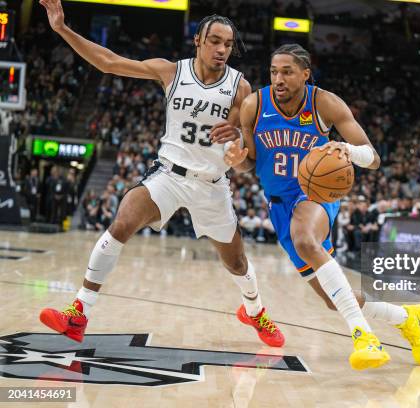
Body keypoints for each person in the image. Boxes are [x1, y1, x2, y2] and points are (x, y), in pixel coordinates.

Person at [38, 0, 284, 348]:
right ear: (198, 40)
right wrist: (62, 28)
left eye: (228, 44)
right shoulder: (171, 71)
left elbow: (242, 151)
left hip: (212, 184)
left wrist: (238, 147)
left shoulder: (240, 88)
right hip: (169, 175)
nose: (222, 49)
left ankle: (254, 310)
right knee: (122, 222)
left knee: (237, 262)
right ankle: (79, 312)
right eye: (215, 41)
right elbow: (108, 63)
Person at [225, 44, 420, 370]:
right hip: (279, 206)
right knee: (333, 299)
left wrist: (345, 149)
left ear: (306, 74)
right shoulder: (254, 105)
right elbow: (250, 162)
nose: (279, 78)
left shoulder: (325, 103)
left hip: (315, 193)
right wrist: (238, 162)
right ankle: (406, 318)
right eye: (274, 71)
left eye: (287, 72)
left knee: (306, 239)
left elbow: (373, 159)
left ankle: (364, 337)